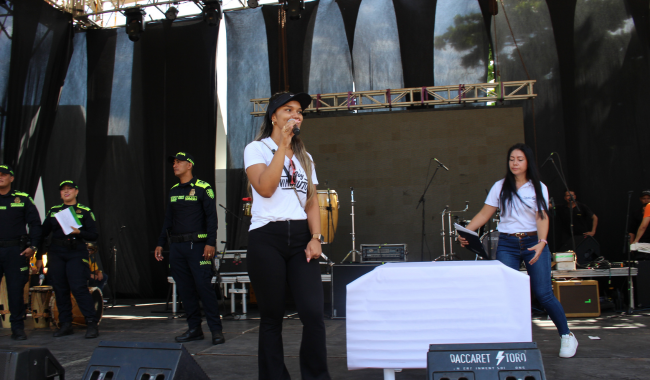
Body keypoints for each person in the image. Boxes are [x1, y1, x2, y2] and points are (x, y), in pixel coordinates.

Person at [459, 143, 578, 358]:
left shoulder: (538, 187)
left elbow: (542, 216)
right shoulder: (500, 186)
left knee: (543, 293)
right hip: (507, 244)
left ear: (528, 162)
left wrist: (542, 241)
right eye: (512, 159)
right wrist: (466, 231)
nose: (515, 163)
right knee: (506, 293)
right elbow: (485, 214)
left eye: (519, 159)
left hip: (534, 242)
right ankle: (510, 338)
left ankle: (567, 335)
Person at [244, 91, 331, 380]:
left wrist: (316, 237)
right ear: (273, 116)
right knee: (271, 316)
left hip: (300, 239)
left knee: (313, 313)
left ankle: (316, 376)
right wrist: (282, 145)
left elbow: (310, 202)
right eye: (288, 109)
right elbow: (266, 189)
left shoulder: (306, 157)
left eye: (299, 111)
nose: (296, 114)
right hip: (267, 236)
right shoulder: (256, 149)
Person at [154, 152, 224, 345]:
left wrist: (211, 242)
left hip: (199, 247)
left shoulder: (203, 188)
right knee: (184, 290)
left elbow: (212, 218)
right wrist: (161, 242)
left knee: (204, 287)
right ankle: (194, 329)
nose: (175, 165)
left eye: (179, 162)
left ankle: (216, 330)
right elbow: (168, 219)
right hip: (177, 248)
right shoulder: (173, 190)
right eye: (173, 162)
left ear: (189, 165)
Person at [41, 180, 99, 338]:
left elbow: (94, 235)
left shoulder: (84, 211)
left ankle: (91, 323)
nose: (66, 192)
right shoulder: (54, 210)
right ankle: (65, 323)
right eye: (63, 190)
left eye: (69, 189)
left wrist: (79, 232)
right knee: (60, 288)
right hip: (57, 252)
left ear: (76, 192)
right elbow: (43, 232)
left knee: (78, 287)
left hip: (76, 251)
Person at [0, 164, 42, 340]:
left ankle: (17, 328)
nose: (0, 177)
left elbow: (35, 224)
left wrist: (33, 246)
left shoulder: (22, 199)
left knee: (16, 290)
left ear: (11, 178)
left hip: (15, 250)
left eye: (3, 174)